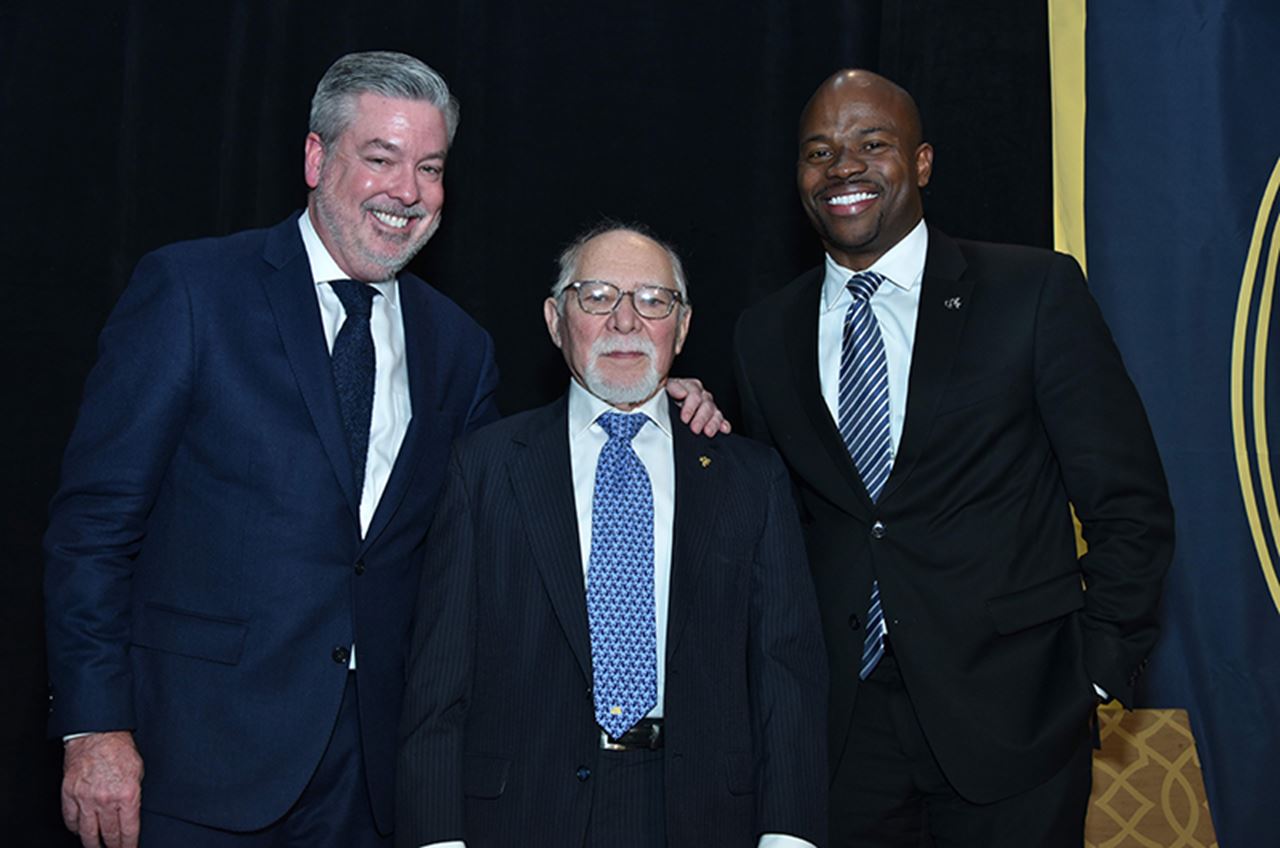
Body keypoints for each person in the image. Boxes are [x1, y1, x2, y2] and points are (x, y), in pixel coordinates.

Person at [44, 53, 725, 848]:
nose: (408, 191)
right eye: (381, 158)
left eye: (430, 168)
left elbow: (513, 505)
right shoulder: (195, 292)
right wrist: (93, 727)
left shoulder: (458, 348)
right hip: (192, 765)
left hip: (376, 782)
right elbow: (94, 527)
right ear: (315, 158)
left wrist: (647, 402)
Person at [733, 70, 1174, 847]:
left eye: (873, 144)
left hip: (1017, 717)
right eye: (819, 151)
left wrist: (1096, 673)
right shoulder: (764, 334)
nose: (843, 168)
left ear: (923, 162)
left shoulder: (1032, 290)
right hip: (842, 728)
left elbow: (1127, 501)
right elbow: (774, 525)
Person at [396, 224, 828, 848]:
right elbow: (438, 679)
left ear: (680, 328)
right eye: (597, 296)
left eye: (653, 300)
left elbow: (787, 673)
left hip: (705, 815)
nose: (625, 321)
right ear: (555, 319)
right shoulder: (484, 468)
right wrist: (437, 838)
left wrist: (788, 835)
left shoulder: (749, 479)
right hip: (520, 814)